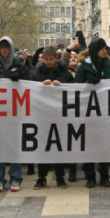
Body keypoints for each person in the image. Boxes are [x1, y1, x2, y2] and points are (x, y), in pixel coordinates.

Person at [0, 36, 30, 192]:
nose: (4, 50)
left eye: (7, 47)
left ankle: (15, 177)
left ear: (11, 48)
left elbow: (28, 83)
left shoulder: (19, 65)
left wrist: (19, 80)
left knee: (14, 145)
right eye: (2, 47)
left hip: (14, 112)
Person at [75, 38, 110, 187]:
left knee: (104, 144)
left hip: (106, 111)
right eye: (101, 48)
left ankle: (105, 175)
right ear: (95, 49)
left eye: (105, 48)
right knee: (89, 144)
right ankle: (90, 176)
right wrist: (88, 84)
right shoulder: (83, 68)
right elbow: (76, 88)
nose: (104, 51)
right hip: (88, 113)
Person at [31, 46, 74, 189]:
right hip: (43, 116)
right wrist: (40, 86)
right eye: (46, 59)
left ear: (56, 58)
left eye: (51, 59)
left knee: (58, 147)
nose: (48, 62)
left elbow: (72, 89)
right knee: (43, 147)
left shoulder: (65, 73)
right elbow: (32, 91)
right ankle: (41, 177)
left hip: (59, 115)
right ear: (42, 59)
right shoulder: (37, 74)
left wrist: (62, 85)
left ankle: (60, 177)